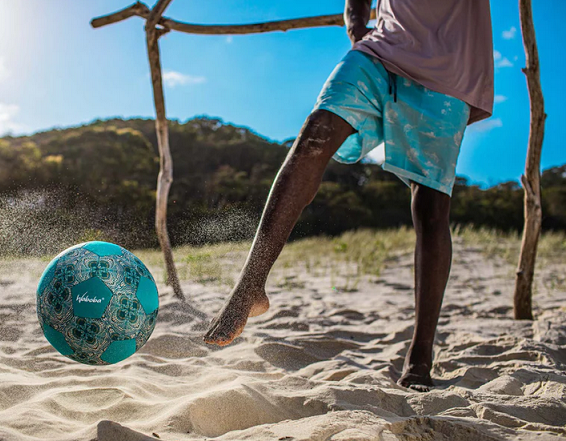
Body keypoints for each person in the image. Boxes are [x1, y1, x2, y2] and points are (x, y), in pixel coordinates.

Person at [203, 0, 494, 391]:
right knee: (315, 132)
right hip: (381, 48)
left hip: (449, 68)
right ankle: (250, 285)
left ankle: (421, 353)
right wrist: (357, 27)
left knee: (430, 206)